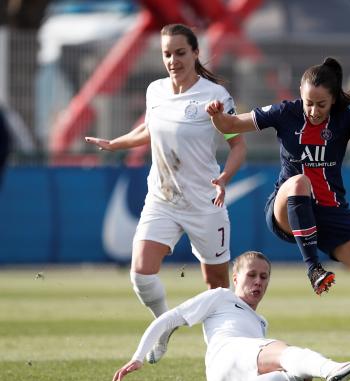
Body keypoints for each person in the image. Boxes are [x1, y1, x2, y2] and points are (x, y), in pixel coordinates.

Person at [205, 57, 350, 379]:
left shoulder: (345, 117)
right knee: (299, 182)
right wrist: (217, 116)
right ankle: (313, 267)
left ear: (334, 99)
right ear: (300, 92)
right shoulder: (286, 112)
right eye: (309, 102)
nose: (313, 110)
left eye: (321, 104)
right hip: (287, 208)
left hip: (333, 214)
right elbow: (230, 126)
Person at [85, 23, 246, 361]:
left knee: (216, 287)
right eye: (167, 54)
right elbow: (149, 128)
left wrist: (225, 178)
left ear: (196, 53)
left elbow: (238, 147)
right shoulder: (155, 90)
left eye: (180, 52)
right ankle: (163, 326)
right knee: (141, 273)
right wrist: (115, 143)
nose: (173, 60)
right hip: (162, 199)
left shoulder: (215, 95)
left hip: (205, 202)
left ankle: (224, 351)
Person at [112, 251, 350, 381]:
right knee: (284, 352)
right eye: (251, 275)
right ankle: (333, 369)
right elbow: (168, 318)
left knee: (296, 377)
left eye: (264, 277)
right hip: (227, 353)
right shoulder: (220, 296)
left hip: (223, 376)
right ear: (235, 277)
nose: (258, 282)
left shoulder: (259, 322)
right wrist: (137, 357)